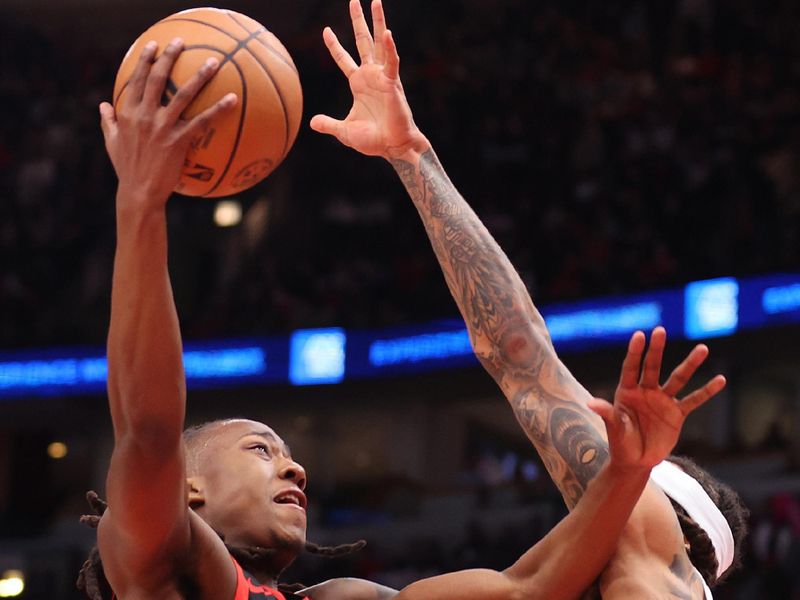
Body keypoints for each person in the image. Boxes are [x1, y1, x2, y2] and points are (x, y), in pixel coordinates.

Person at [83, 3, 726, 600]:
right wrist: (139, 204)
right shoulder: (160, 564)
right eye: (262, 450)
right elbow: (148, 432)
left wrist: (626, 473)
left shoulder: (343, 598)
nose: (297, 468)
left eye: (278, 449)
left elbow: (528, 588)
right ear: (185, 491)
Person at [309, 1, 748, 598]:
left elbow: (516, 349)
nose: (589, 486)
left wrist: (413, 159)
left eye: (611, 479)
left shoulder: (649, 540)